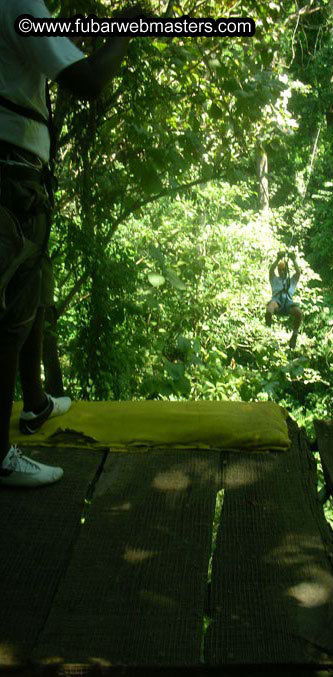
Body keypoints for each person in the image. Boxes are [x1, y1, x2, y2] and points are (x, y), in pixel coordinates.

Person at [0, 0, 140, 488]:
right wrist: (122, 33)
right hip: (11, 171)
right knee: (11, 311)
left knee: (27, 298)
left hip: (20, 176)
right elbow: (86, 80)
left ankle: (35, 402)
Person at [265, 251, 303, 349]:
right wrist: (278, 258)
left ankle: (294, 335)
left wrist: (294, 259)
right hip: (277, 302)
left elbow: (298, 273)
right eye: (280, 270)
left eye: (283, 270)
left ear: (286, 270)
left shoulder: (291, 281)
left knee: (299, 313)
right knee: (270, 309)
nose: (281, 272)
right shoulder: (274, 279)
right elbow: (271, 270)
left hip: (288, 304)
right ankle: (267, 331)